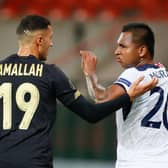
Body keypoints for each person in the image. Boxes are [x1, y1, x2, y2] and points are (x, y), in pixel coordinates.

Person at [0, 15, 157, 168]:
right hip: (34, 161)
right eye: (50, 38)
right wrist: (128, 97)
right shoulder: (50, 74)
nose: (52, 43)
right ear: (40, 40)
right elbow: (91, 114)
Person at [80, 23, 168, 168]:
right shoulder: (164, 74)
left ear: (141, 50)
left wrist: (90, 74)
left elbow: (102, 97)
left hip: (135, 161)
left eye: (123, 46)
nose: (116, 51)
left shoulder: (134, 74)